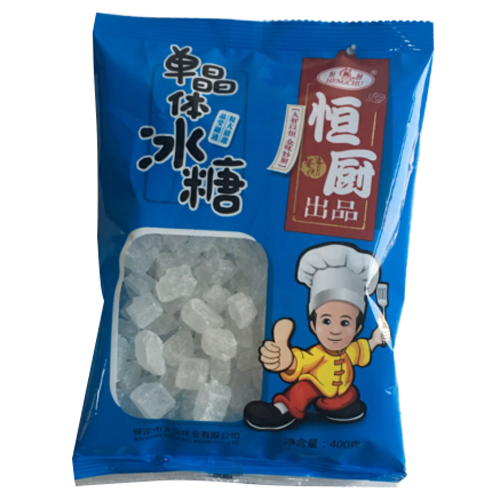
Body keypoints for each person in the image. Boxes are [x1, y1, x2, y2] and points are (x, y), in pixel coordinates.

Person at [244, 243, 391, 431]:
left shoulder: (349, 351)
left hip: (338, 392)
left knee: (349, 393)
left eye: (345, 323)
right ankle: (282, 410)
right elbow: (301, 361)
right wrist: (288, 362)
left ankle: (337, 407)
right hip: (315, 385)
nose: (335, 330)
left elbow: (361, 350)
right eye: (326, 321)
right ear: (313, 325)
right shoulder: (317, 354)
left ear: (358, 328)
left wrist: (376, 339)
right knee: (301, 390)